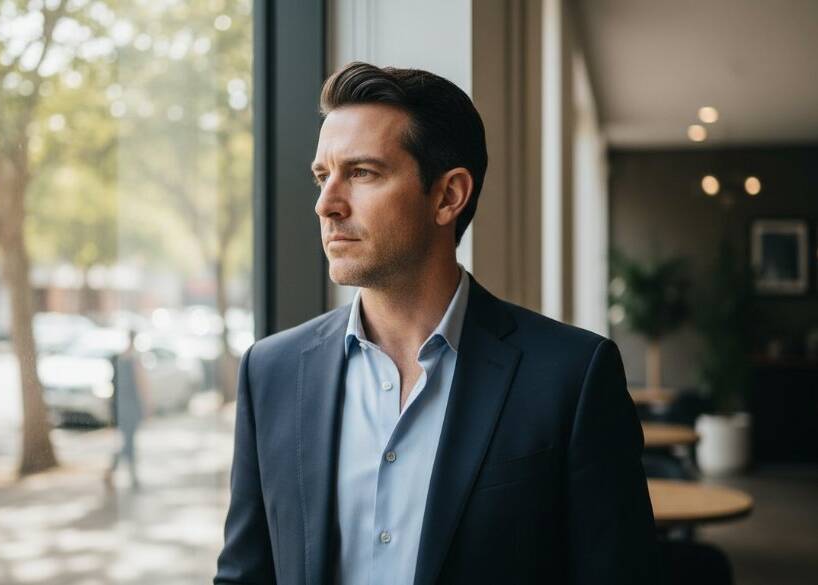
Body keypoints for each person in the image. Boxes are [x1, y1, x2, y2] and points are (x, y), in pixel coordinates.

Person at [214, 62, 657, 584]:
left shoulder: (572, 376)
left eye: (361, 173)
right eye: (322, 175)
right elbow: (245, 575)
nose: (326, 204)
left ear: (448, 196)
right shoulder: (272, 371)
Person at [105, 330, 149, 489]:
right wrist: (146, 405)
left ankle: (120, 472)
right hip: (131, 406)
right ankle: (124, 473)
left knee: (128, 441)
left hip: (122, 406)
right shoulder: (134, 359)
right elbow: (141, 384)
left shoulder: (120, 358)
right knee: (129, 442)